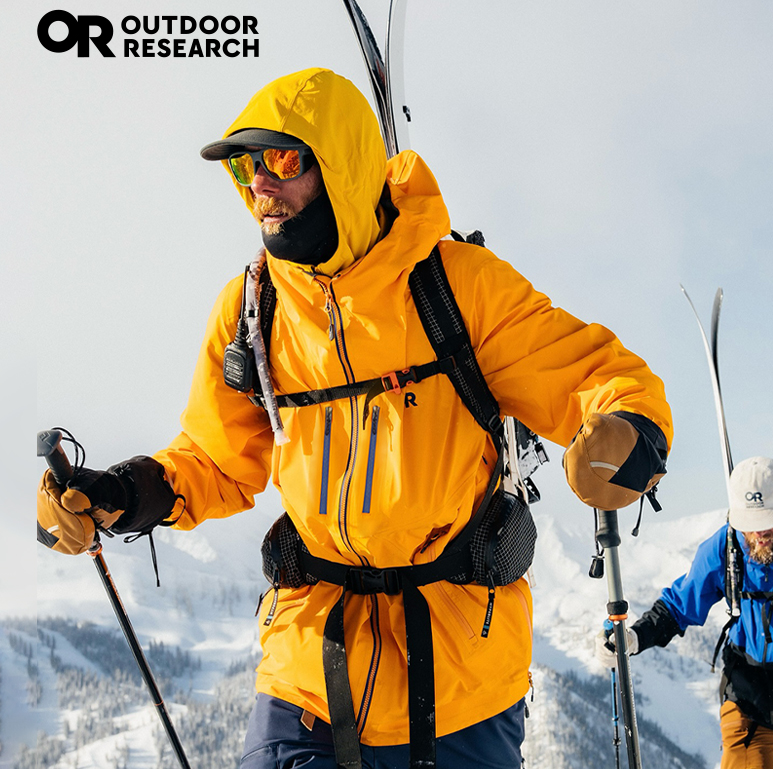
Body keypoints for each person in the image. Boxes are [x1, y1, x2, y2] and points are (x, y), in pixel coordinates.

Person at [38, 67, 672, 769]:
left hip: (462, 669)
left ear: (341, 162)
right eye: (246, 167)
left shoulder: (456, 286)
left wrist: (628, 429)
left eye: (280, 159)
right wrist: (123, 494)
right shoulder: (251, 309)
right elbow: (218, 460)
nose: (258, 185)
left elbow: (595, 374)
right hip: (309, 660)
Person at [596, 455, 773, 769]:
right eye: (750, 525)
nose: (758, 535)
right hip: (751, 695)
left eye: (767, 523)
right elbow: (680, 605)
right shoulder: (729, 546)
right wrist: (633, 637)